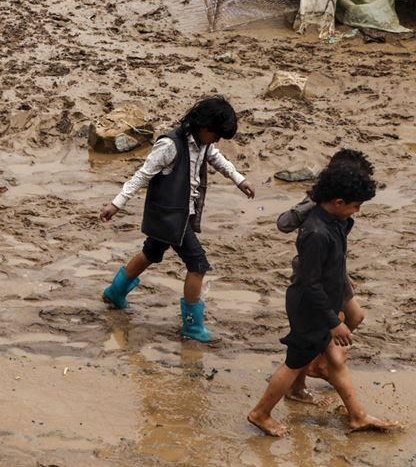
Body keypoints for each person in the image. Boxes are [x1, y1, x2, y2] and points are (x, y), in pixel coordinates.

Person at [247, 165, 398, 436]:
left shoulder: (336, 222)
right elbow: (310, 283)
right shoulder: (316, 233)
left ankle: (357, 416)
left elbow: (333, 265)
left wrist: (341, 283)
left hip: (323, 304)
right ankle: (260, 413)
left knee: (324, 360)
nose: (357, 211)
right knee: (294, 364)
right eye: (355, 206)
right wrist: (333, 322)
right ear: (338, 202)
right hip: (310, 308)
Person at [99, 96, 255, 342]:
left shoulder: (203, 143)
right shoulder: (169, 145)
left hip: (179, 214)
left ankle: (115, 292)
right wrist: (116, 204)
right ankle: (193, 326)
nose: (216, 141)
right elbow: (142, 175)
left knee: (151, 252)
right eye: (216, 135)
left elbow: (217, 158)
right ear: (204, 126)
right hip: (171, 216)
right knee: (198, 265)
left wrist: (239, 179)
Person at [278, 149, 374, 404]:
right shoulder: (321, 206)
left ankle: (320, 362)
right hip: (315, 274)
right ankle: (299, 381)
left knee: (354, 316)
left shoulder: (343, 208)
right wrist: (312, 202)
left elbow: (339, 245)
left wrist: (343, 273)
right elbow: (284, 223)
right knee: (313, 333)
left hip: (334, 270)